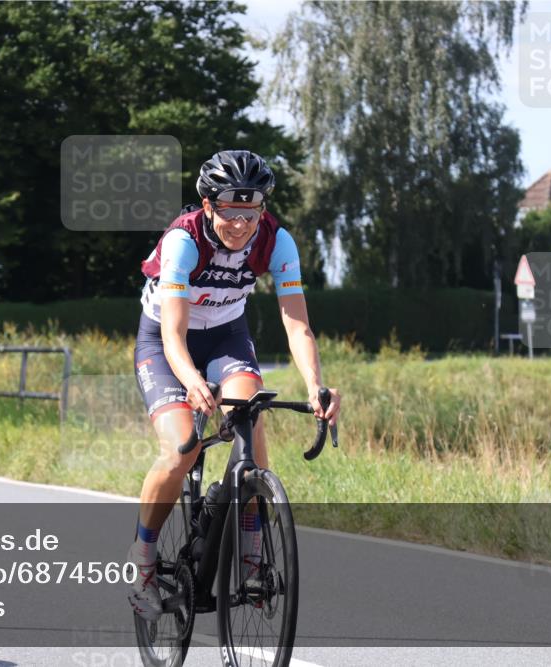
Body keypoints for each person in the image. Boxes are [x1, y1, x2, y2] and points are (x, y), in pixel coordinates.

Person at [127, 150, 341, 620]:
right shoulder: (184, 241)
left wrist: (315, 386)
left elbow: (297, 324)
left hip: (227, 336)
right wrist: (191, 381)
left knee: (249, 414)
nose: (241, 223)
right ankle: (142, 561)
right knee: (182, 447)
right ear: (207, 205)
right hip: (166, 343)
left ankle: (250, 550)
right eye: (229, 210)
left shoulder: (277, 240)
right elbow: (172, 335)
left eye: (251, 211)